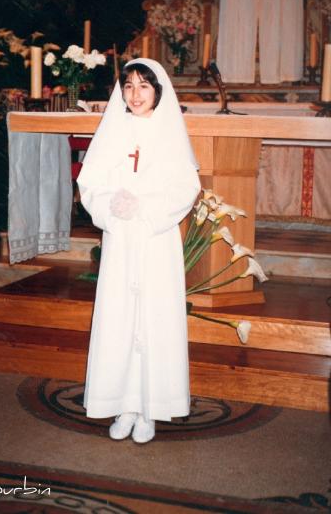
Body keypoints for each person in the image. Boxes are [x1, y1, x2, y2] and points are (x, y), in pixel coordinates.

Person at [77, 58, 201, 443]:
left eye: (143, 86)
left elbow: (186, 187)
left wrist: (145, 208)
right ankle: (123, 404)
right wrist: (111, 205)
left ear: (158, 91)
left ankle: (149, 408)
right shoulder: (114, 129)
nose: (135, 94)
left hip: (154, 236)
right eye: (128, 85)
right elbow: (91, 181)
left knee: (153, 316)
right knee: (120, 316)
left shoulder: (169, 132)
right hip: (121, 235)